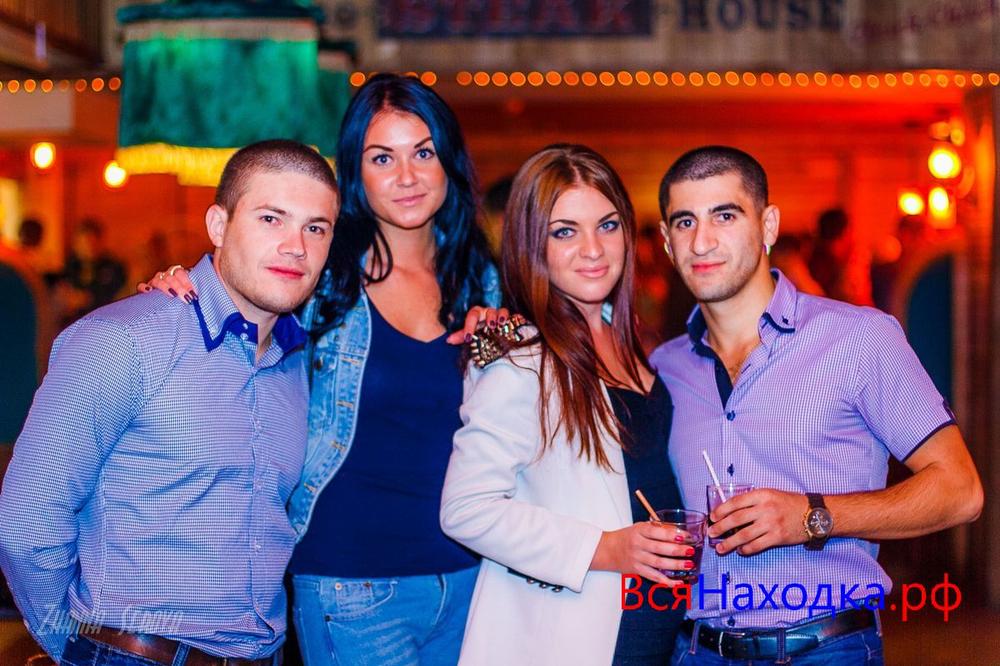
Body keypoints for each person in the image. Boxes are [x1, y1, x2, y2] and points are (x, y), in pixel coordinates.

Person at [142, 73, 500, 666]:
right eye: (382, 157)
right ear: (355, 170)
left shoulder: (482, 279)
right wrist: (183, 283)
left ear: (449, 161)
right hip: (352, 583)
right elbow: (233, 320)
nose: (407, 176)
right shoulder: (321, 272)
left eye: (423, 153)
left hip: (471, 575)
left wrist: (505, 337)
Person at [0, 139, 338, 665]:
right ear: (219, 225)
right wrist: (74, 646)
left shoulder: (296, 363)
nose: (296, 245)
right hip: (132, 653)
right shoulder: (125, 340)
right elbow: (29, 517)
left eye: (316, 228)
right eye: (271, 218)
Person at [651, 145, 983, 664]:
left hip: (825, 648)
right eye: (685, 221)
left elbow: (960, 490)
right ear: (668, 242)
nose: (702, 240)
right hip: (699, 650)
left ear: (767, 225)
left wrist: (810, 516)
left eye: (725, 215)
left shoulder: (860, 339)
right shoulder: (662, 369)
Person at [441, 144, 689, 666]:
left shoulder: (629, 342)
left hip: (658, 631)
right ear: (532, 244)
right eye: (565, 232)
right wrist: (604, 548)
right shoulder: (522, 358)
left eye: (607, 225)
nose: (593, 249)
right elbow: (466, 509)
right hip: (576, 632)